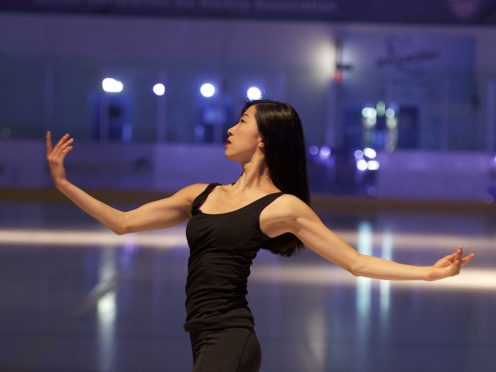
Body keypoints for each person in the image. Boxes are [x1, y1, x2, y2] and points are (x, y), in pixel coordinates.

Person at [45, 99, 475, 372]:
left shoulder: (282, 207)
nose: (230, 128)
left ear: (264, 139)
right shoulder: (202, 193)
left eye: (242, 120)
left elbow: (356, 262)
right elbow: (123, 223)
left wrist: (428, 274)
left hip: (231, 338)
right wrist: (65, 185)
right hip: (201, 337)